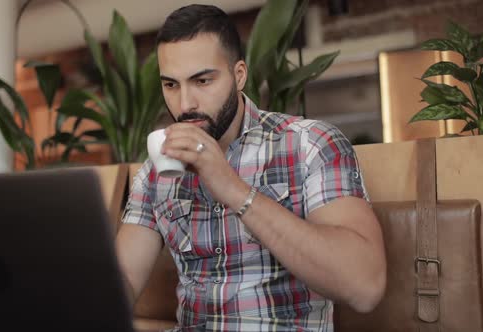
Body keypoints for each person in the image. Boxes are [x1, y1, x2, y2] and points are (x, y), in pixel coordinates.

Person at [115, 4, 386, 331]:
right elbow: (123, 280)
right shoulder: (157, 169)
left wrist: (231, 187)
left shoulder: (310, 144)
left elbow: (364, 287)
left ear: (239, 74)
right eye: (171, 85)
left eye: (202, 80)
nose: (185, 104)